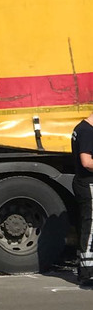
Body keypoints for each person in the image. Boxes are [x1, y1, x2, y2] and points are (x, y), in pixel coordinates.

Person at [71, 111, 93, 283]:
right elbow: (86, 162)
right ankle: (88, 271)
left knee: (86, 224)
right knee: (90, 226)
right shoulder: (87, 131)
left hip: (83, 183)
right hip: (88, 184)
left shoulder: (81, 128)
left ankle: (84, 267)